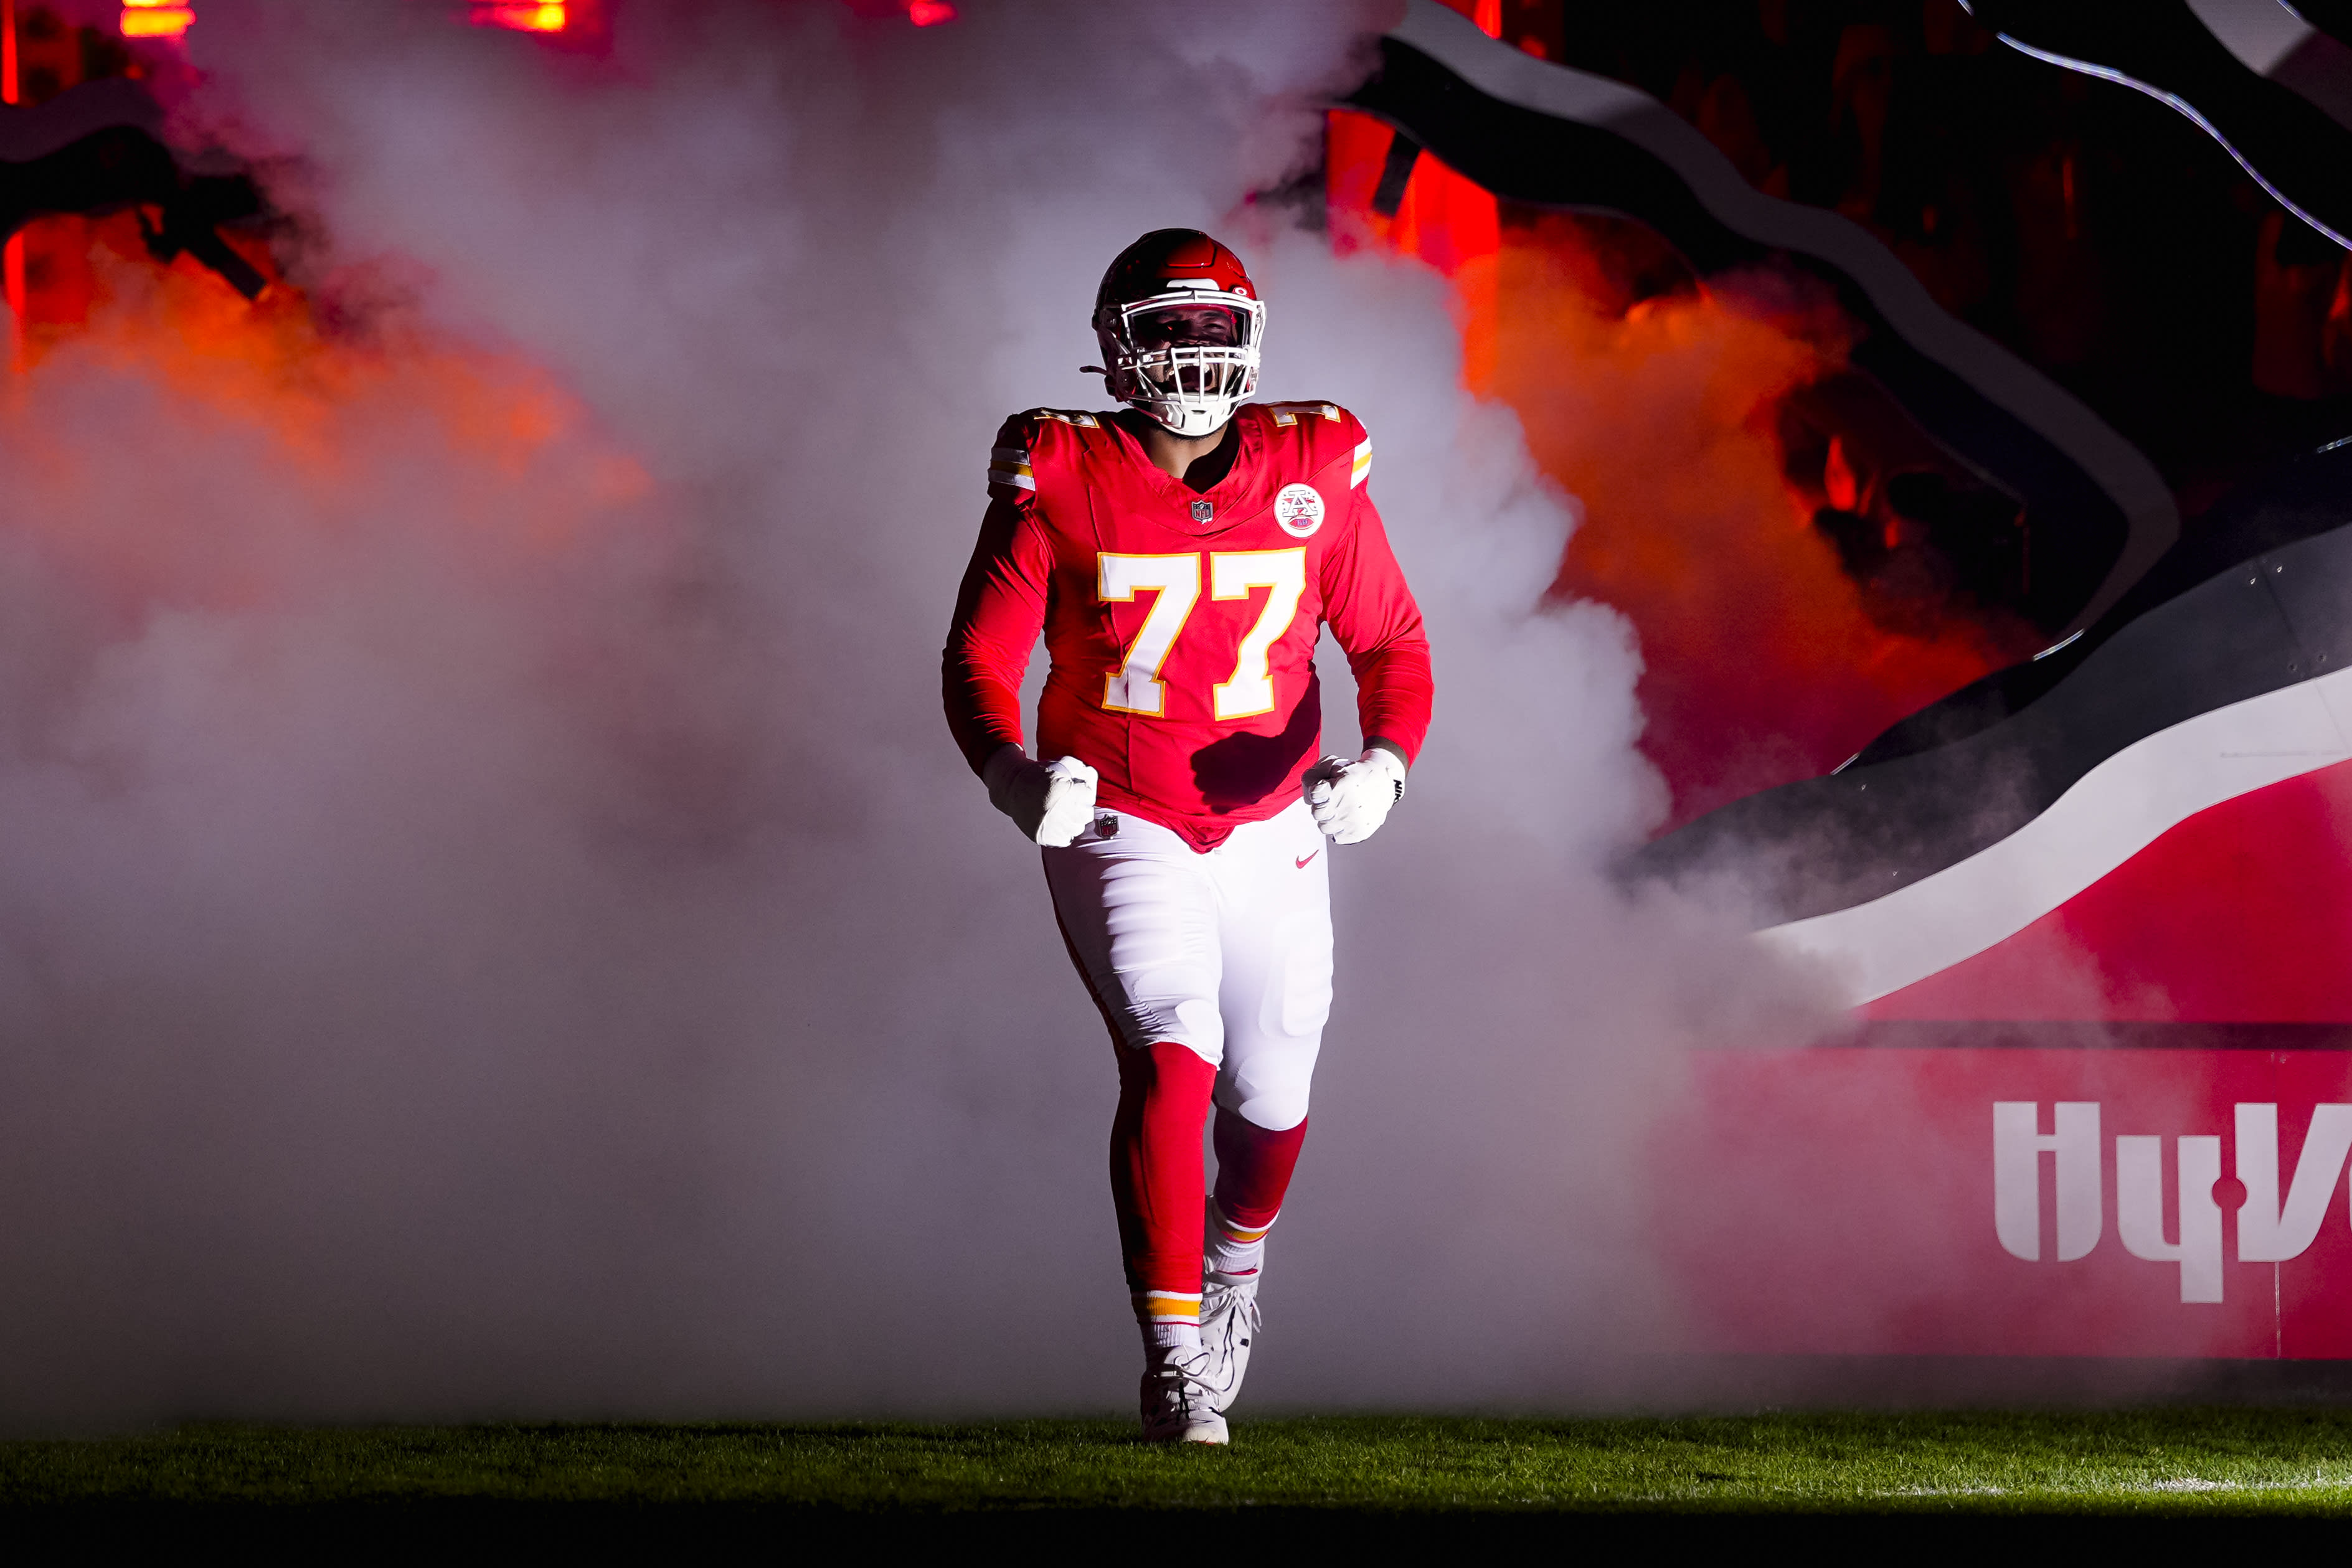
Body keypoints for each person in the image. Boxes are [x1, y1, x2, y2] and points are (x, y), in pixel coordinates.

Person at [942, 229, 1433, 1443]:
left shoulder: (1313, 458)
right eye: (1172, 330)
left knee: (1273, 1098)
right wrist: (1009, 772)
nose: (1199, 355)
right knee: (1175, 1049)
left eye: (1218, 331)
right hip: (1118, 813)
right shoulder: (1062, 468)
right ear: (1117, 349)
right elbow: (981, 656)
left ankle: (1234, 1271)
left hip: (1273, 825)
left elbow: (1390, 644)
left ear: (1253, 339)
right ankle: (1173, 1363)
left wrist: (1384, 764)